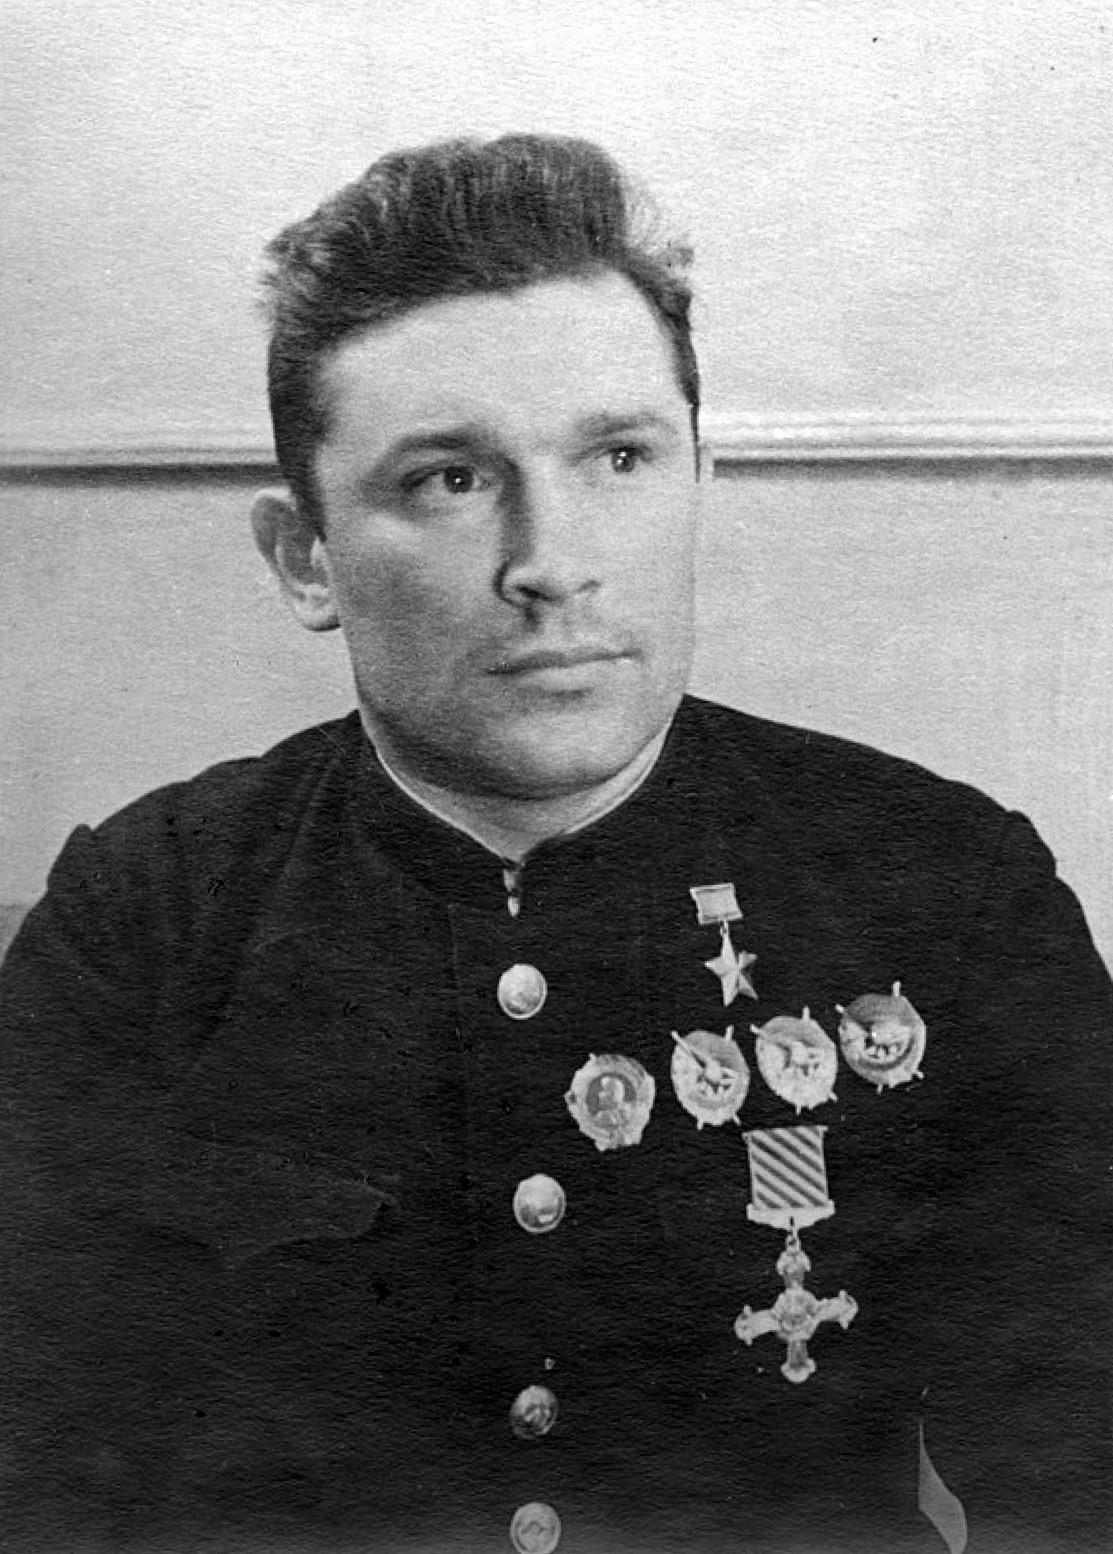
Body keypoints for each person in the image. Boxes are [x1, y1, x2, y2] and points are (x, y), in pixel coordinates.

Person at [0, 134, 1109, 1554]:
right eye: (449, 480)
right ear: (304, 557)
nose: (551, 561)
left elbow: (1081, 1474)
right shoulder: (145, 920)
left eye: (619, 458)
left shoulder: (944, 887)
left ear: (699, 480)